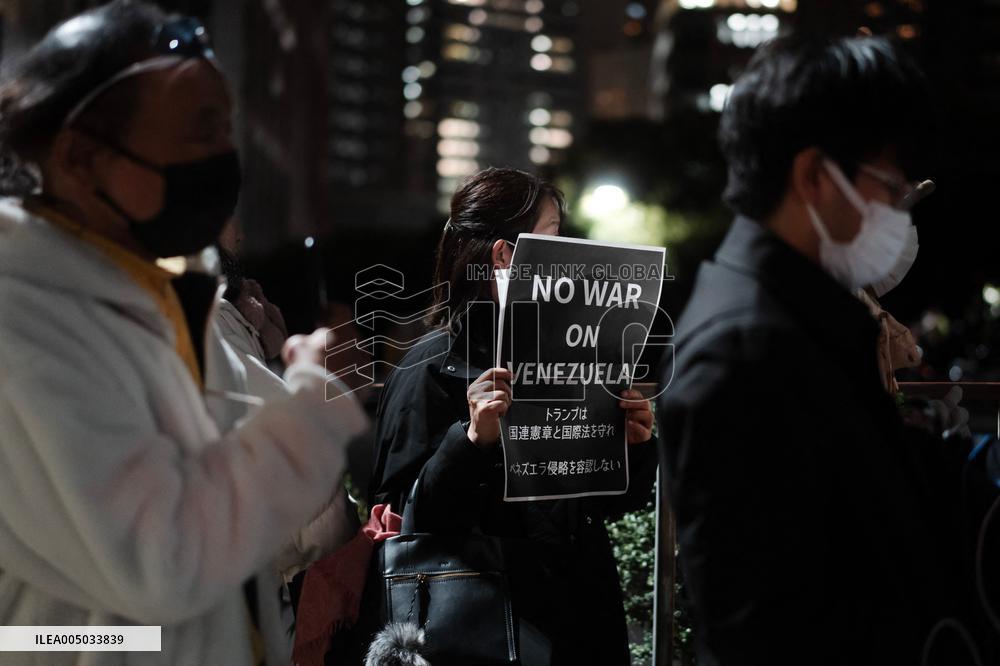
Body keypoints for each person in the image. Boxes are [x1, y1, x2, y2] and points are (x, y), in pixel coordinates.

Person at [0, 3, 367, 665]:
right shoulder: (24, 317)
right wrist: (311, 400)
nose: (222, 163)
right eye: (197, 134)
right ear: (83, 157)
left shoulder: (156, 292)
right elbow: (168, 558)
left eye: (225, 132)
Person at [656, 34, 999, 665]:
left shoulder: (795, 317)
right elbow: (764, 633)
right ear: (814, 175)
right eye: (889, 187)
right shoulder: (741, 352)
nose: (898, 211)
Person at [368, 167, 659, 665]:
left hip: (577, 625)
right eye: (551, 240)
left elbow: (597, 506)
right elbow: (402, 524)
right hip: (483, 632)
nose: (569, 258)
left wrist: (633, 444)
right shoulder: (431, 365)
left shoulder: (570, 352)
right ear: (505, 255)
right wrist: (471, 440)